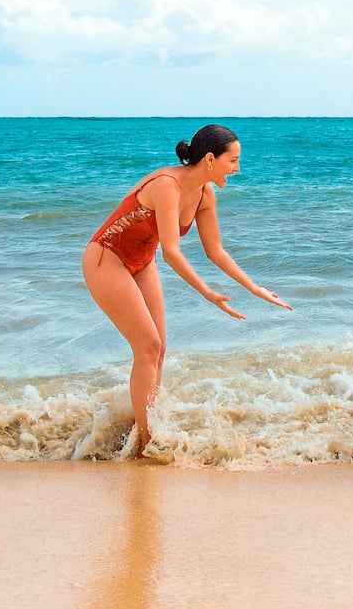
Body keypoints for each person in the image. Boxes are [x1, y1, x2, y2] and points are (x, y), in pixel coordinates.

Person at [82, 123, 290, 459]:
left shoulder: (205, 194)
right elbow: (172, 252)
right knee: (147, 346)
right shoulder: (167, 186)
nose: (237, 169)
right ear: (210, 159)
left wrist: (254, 288)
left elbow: (215, 250)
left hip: (141, 260)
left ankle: (143, 427)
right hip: (107, 258)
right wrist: (208, 293)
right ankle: (146, 444)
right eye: (233, 160)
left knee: (159, 349)